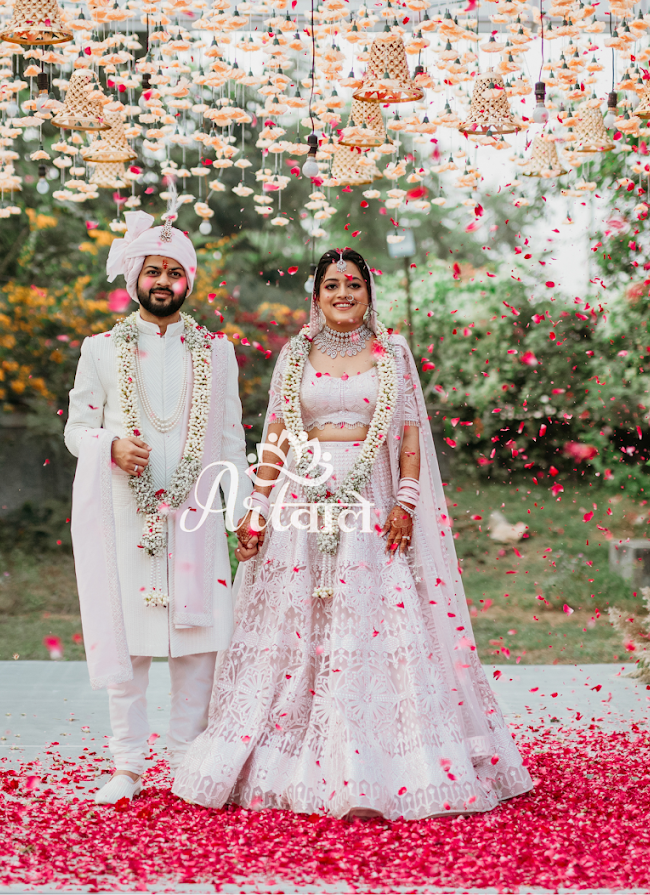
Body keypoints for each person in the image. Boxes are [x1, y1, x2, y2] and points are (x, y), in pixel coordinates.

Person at [172, 248, 533, 820]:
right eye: (332, 284)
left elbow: (410, 432)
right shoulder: (295, 354)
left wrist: (407, 502)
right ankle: (287, 759)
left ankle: (374, 765)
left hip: (372, 504)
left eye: (355, 285)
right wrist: (258, 506)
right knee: (297, 628)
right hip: (303, 502)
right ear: (315, 295)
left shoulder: (392, 353)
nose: (344, 294)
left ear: (370, 293)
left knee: (370, 627)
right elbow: (276, 436)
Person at [64, 208, 249, 806]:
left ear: (189, 282)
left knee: (198, 643)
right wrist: (110, 446)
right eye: (153, 271)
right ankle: (127, 766)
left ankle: (188, 762)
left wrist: (244, 510)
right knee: (132, 642)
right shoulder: (99, 349)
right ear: (134, 281)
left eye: (175, 271)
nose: (163, 281)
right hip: (126, 511)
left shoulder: (218, 353)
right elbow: (76, 428)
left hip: (197, 513)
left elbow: (229, 439)